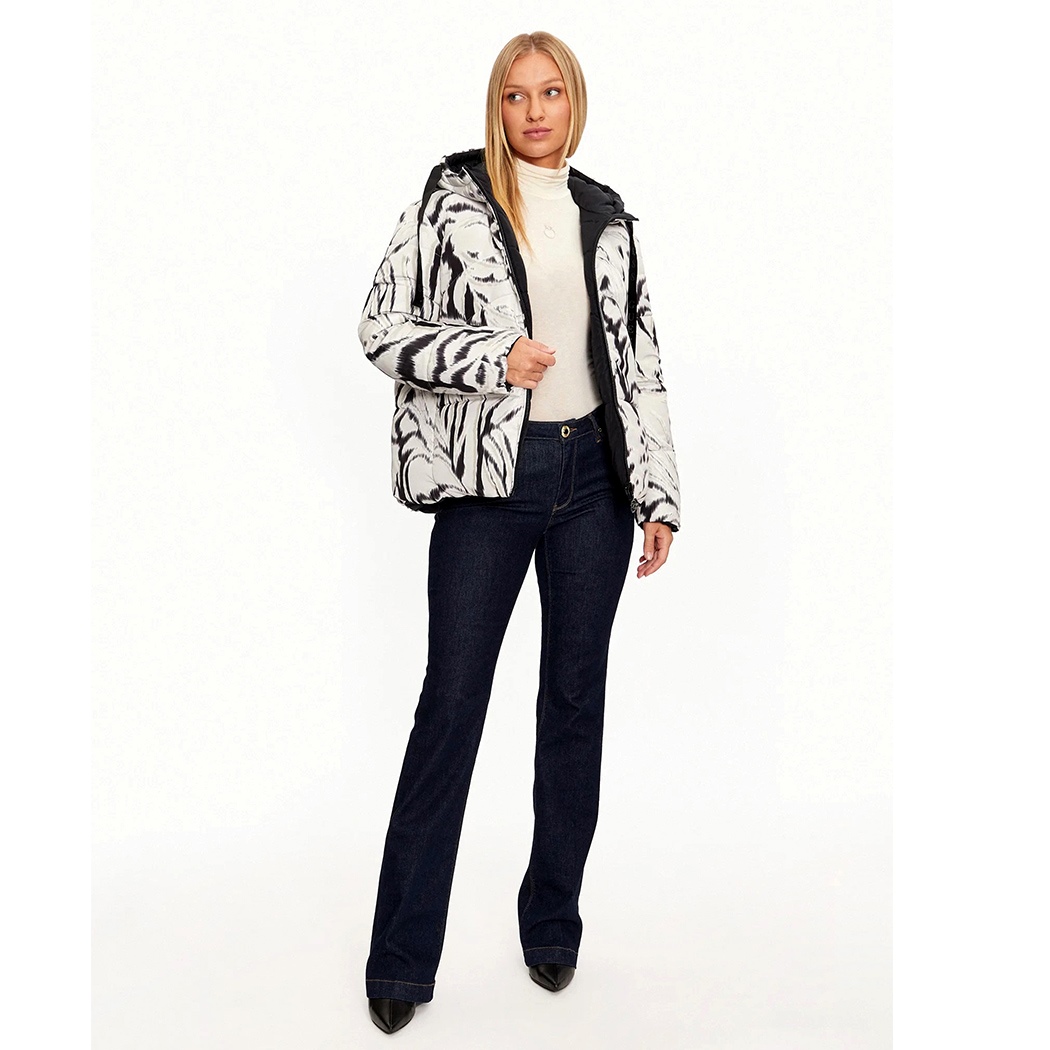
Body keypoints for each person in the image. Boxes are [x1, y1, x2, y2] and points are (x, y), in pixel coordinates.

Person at [357, 30, 682, 1034]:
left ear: (573, 102)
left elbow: (640, 362)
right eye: (515, 95)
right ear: (495, 107)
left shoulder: (607, 216)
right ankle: (401, 960)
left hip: (595, 483)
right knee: (451, 707)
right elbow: (380, 329)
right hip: (488, 487)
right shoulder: (449, 201)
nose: (534, 112)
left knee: (574, 705)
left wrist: (659, 494)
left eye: (550, 93)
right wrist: (491, 357)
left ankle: (552, 924)